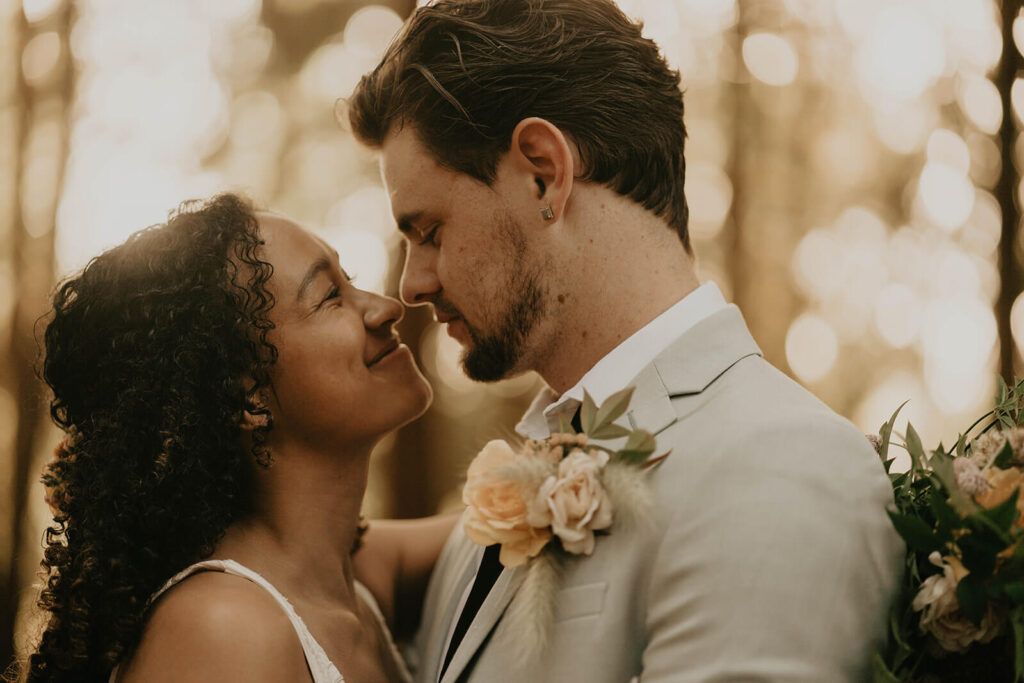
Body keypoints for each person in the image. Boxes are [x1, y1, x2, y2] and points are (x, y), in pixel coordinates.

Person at [346, 0, 905, 680]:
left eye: (430, 230)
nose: (413, 283)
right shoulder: (501, 504)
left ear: (544, 173)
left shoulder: (776, 465)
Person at [27, 194, 455, 682]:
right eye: (329, 295)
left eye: (350, 280)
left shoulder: (352, 577)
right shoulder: (222, 630)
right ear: (242, 396)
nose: (386, 308)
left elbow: (534, 501)